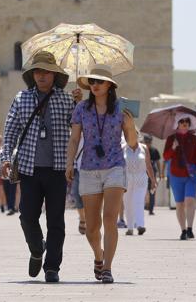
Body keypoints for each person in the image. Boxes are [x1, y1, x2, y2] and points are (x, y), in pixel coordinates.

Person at [0, 51, 81, 283]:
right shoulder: (21, 98)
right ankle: (37, 250)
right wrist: (5, 158)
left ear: (54, 75)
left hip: (57, 168)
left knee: (56, 220)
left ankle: (52, 267)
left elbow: (78, 129)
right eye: (38, 71)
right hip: (29, 168)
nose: (42, 75)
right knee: (27, 216)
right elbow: (10, 131)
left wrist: (79, 104)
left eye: (46, 71)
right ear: (32, 75)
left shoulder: (66, 100)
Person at [65, 65, 137, 283]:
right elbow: (75, 138)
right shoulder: (81, 109)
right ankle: (99, 255)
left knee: (110, 220)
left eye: (99, 82)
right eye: (92, 82)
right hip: (88, 168)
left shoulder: (121, 108)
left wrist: (131, 126)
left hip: (115, 167)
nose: (94, 85)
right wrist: (69, 162)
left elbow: (133, 144)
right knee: (92, 227)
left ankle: (107, 268)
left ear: (109, 86)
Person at [163, 114, 196, 240]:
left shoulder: (193, 138)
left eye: (187, 121)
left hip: (191, 175)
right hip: (176, 175)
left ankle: (190, 228)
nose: (185, 123)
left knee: (189, 200)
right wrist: (173, 147)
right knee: (180, 204)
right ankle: (183, 230)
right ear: (177, 124)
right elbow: (165, 156)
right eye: (182, 121)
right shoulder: (171, 139)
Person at [123, 136, 158, 236]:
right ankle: (130, 227)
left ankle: (140, 225)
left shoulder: (144, 148)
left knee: (139, 201)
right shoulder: (123, 148)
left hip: (141, 179)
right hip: (126, 179)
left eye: (134, 134)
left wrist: (153, 180)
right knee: (128, 203)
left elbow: (148, 165)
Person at [0, 135, 18, 216]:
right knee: (7, 192)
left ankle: (11, 207)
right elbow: (0, 162)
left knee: (12, 191)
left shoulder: (15, 151)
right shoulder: (1, 151)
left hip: (13, 175)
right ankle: (9, 207)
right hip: (4, 176)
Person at [71, 138, 86, 235]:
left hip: (89, 168)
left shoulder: (88, 133)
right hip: (76, 170)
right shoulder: (71, 136)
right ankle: (82, 218)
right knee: (76, 195)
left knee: (89, 196)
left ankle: (88, 220)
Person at [142, 134, 161, 215]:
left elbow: (158, 162)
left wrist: (160, 173)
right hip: (142, 173)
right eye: (146, 142)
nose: (147, 144)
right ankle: (143, 206)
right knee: (142, 191)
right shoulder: (141, 150)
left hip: (152, 173)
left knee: (152, 191)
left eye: (149, 142)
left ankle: (151, 208)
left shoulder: (154, 150)